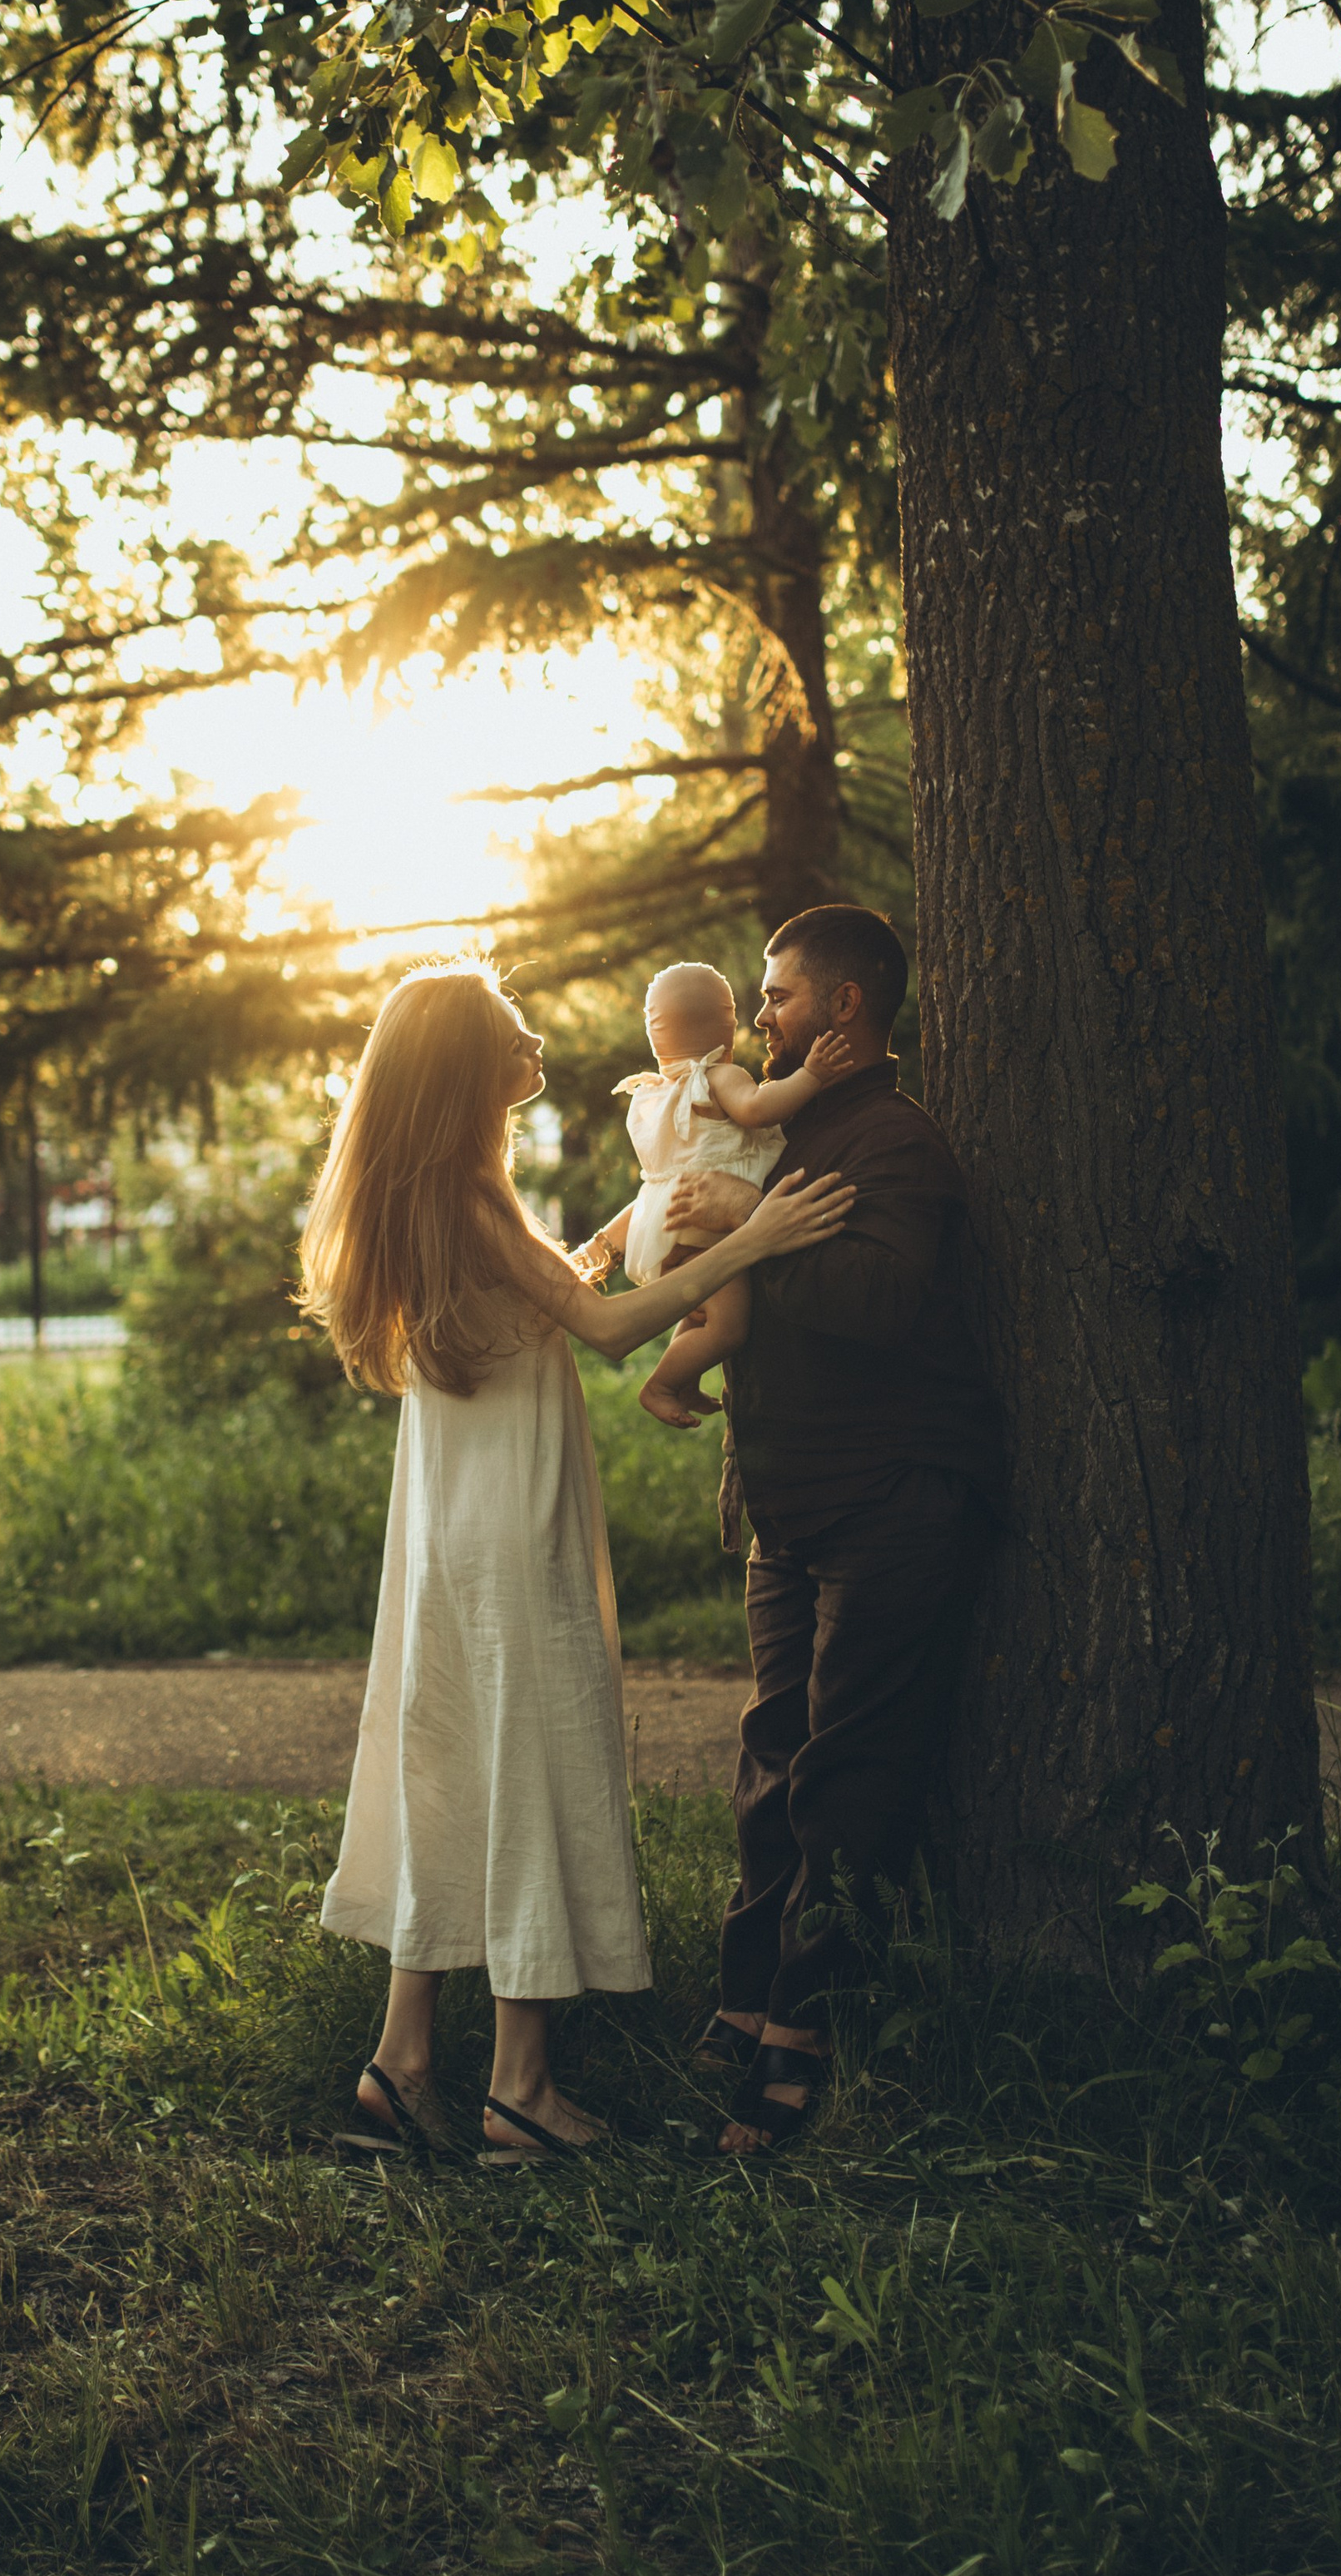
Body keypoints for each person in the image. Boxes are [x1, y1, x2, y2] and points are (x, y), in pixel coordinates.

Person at [298, 960, 854, 2167]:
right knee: (535, 1757)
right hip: (509, 1519)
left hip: (448, 1521)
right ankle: (521, 2093)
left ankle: (400, 2070)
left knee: (450, 1763)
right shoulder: (469, 1193)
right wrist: (752, 1239)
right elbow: (602, 1331)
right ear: (463, 1068)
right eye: (512, 1032)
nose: (537, 1039)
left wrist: (616, 1233)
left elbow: (554, 1289)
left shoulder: (432, 1192)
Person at [641, 906, 1002, 2157]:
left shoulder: (891, 1140)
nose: (760, 1014)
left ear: (844, 1006)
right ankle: (745, 2001)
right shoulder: (787, 1126)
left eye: (779, 994)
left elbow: (884, 1299)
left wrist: (740, 1243)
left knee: (848, 1772)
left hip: (891, 1499)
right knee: (770, 1761)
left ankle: (805, 2034)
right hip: (788, 1505)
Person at [581, 959, 851, 1430]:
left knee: (700, 1309)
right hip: (708, 1231)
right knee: (729, 1326)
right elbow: (757, 1109)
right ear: (724, 1024)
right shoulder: (717, 1076)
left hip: (668, 1230)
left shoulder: (655, 1095)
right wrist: (811, 1075)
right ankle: (662, 1384)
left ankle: (684, 1382)